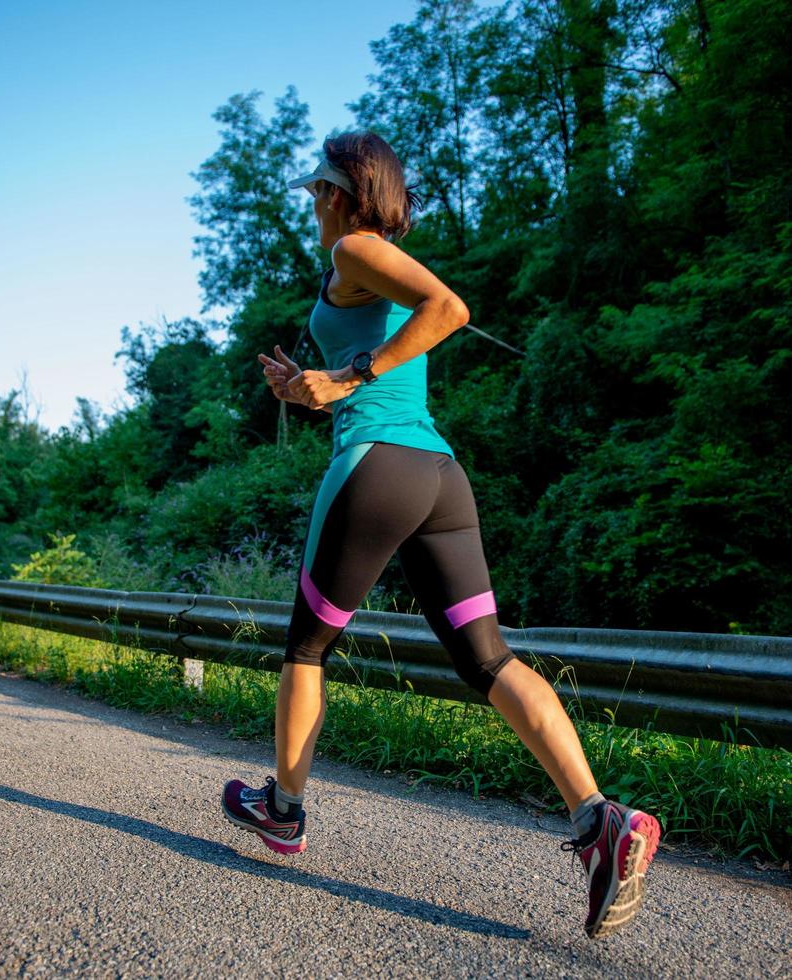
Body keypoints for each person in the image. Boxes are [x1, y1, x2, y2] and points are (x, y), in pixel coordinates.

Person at [221, 132, 660, 939]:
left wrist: (350, 379)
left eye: (319, 189)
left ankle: (282, 810)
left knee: (306, 649)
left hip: (376, 471)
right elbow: (387, 345)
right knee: (488, 660)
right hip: (437, 479)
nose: (311, 202)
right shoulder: (354, 262)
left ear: (346, 195)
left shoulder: (357, 246)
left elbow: (449, 310)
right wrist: (309, 389)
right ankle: (598, 819)